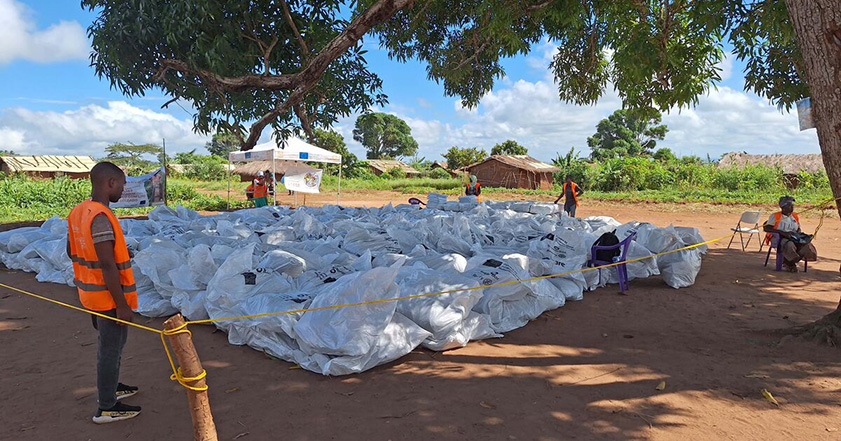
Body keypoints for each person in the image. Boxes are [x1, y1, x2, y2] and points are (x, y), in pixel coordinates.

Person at [66, 162, 141, 424]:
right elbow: (108, 265)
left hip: (89, 294)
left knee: (113, 345)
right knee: (110, 349)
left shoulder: (79, 212)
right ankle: (107, 406)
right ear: (110, 183)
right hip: (108, 299)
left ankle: (112, 385)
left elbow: (71, 250)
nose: (123, 190)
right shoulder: (100, 216)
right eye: (121, 184)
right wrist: (122, 305)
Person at [763, 195, 817, 272]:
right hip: (780, 237)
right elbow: (766, 227)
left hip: (793, 237)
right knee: (789, 245)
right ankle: (790, 264)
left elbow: (798, 228)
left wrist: (799, 235)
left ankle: (790, 262)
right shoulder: (775, 216)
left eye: (792, 205)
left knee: (806, 245)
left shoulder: (794, 216)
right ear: (783, 207)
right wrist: (782, 233)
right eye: (789, 205)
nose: (792, 207)